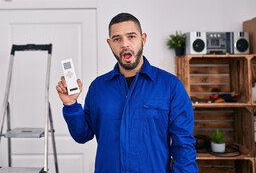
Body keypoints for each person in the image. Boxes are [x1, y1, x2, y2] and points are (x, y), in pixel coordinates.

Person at [56, 12, 198, 173]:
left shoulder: (171, 86)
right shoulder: (98, 87)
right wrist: (70, 105)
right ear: (109, 44)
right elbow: (82, 135)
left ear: (143, 39)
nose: (125, 44)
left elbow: (184, 146)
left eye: (131, 37)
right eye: (117, 39)